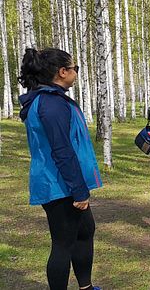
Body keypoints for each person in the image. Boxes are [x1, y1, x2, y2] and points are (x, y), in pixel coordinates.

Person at [18, 48, 102, 290]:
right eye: (74, 68)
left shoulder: (52, 99)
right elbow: (62, 150)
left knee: (85, 230)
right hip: (59, 184)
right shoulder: (51, 104)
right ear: (62, 72)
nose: (76, 72)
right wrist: (79, 190)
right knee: (63, 243)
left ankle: (86, 287)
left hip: (64, 181)